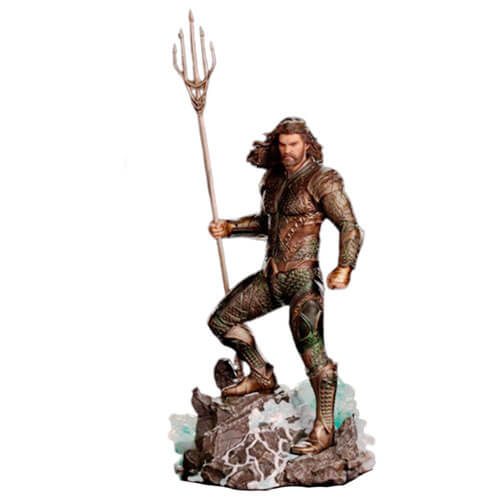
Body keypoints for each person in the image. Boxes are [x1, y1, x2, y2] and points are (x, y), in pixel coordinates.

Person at [207, 117, 363, 454]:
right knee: (221, 320)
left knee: (313, 356)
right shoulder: (273, 179)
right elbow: (267, 223)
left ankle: (324, 430)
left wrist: (345, 266)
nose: (287, 151)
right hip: (272, 278)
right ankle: (261, 374)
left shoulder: (322, 180)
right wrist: (231, 227)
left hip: (303, 281)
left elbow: (349, 225)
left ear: (306, 144)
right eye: (282, 145)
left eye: (293, 144)